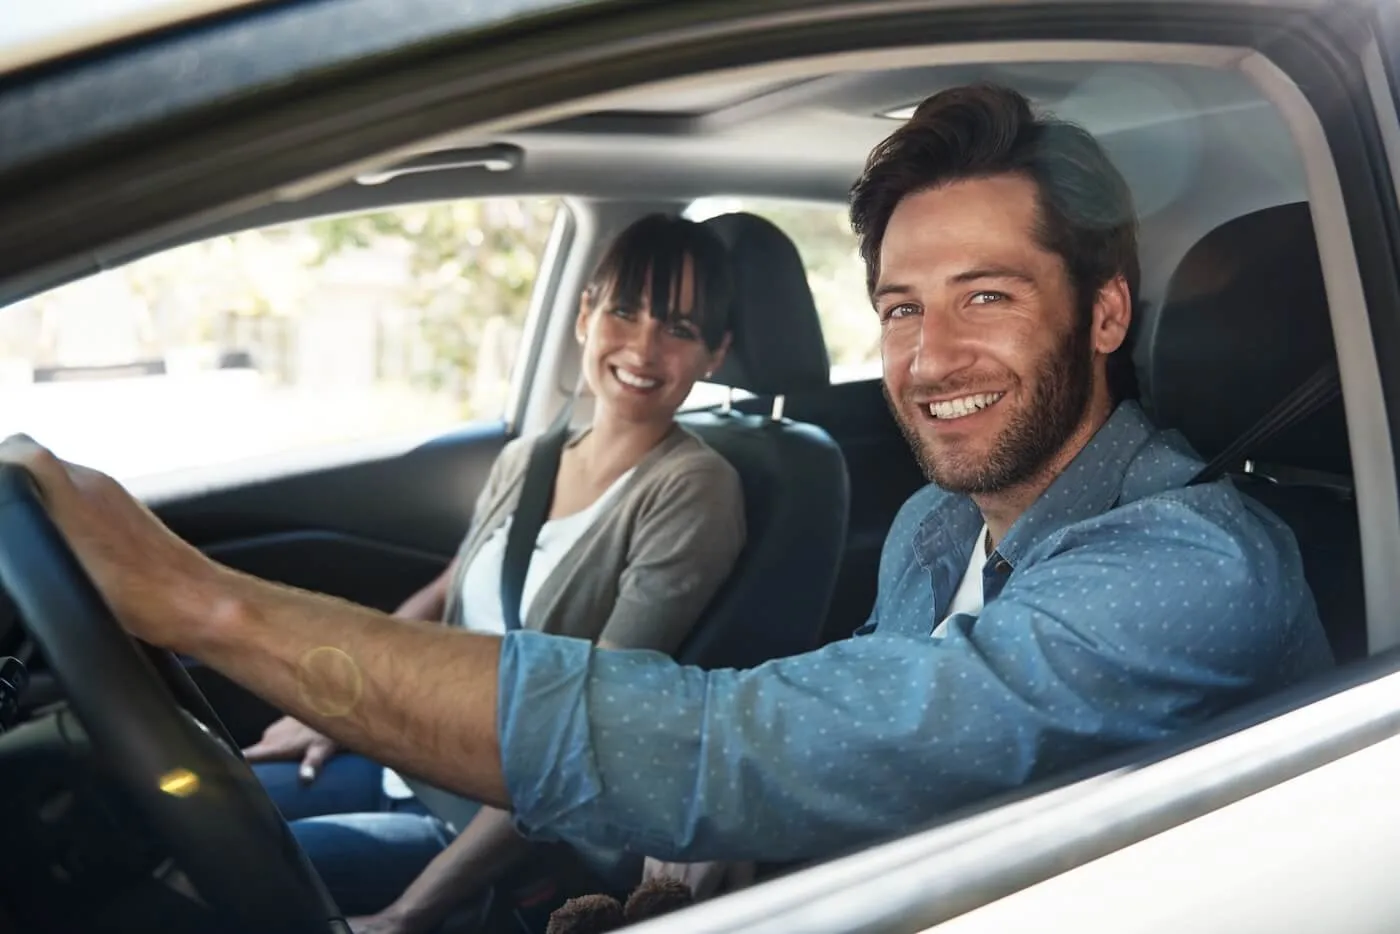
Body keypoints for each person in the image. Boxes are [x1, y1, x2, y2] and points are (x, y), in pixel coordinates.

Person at [1, 84, 1334, 876]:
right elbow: (854, 754)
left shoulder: (1195, 564)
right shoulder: (936, 525)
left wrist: (203, 603)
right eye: (901, 307)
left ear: (1105, 315)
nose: (931, 358)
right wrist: (703, 872)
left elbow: (731, 742)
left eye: (988, 296)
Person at [237, 212, 747, 931]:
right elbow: (451, 585)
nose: (642, 346)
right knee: (193, 807)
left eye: (680, 329)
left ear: (715, 355)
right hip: (405, 755)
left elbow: (586, 731)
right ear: (584, 316)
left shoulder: (694, 487)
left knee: (237, 866)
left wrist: (408, 914)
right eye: (624, 311)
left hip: (489, 823)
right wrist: (340, 707)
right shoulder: (529, 458)